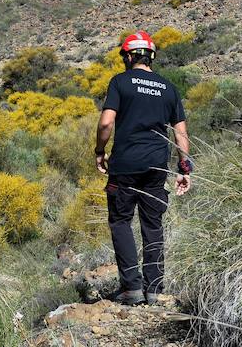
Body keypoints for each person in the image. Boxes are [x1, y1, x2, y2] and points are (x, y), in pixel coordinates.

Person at [94, 30, 193, 306]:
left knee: (121, 222)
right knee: (152, 225)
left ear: (127, 56)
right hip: (157, 167)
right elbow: (181, 133)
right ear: (151, 56)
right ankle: (154, 289)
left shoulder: (120, 82)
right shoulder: (168, 87)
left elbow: (105, 123)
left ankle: (131, 289)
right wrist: (184, 168)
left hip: (124, 165)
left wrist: (100, 151)